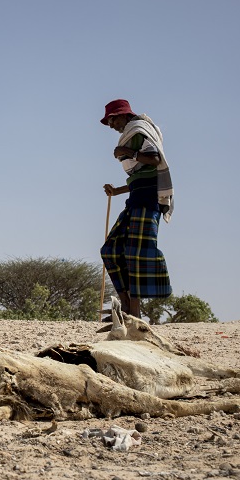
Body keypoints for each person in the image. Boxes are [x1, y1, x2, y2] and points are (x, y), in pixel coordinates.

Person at [99, 99, 173, 318]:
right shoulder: (133, 134)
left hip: (148, 201)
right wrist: (117, 190)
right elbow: (140, 178)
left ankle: (134, 312)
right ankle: (125, 306)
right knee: (110, 250)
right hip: (136, 199)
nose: (111, 125)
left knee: (135, 254)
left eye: (112, 119)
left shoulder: (139, 131)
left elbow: (154, 158)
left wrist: (126, 151)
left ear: (123, 115)